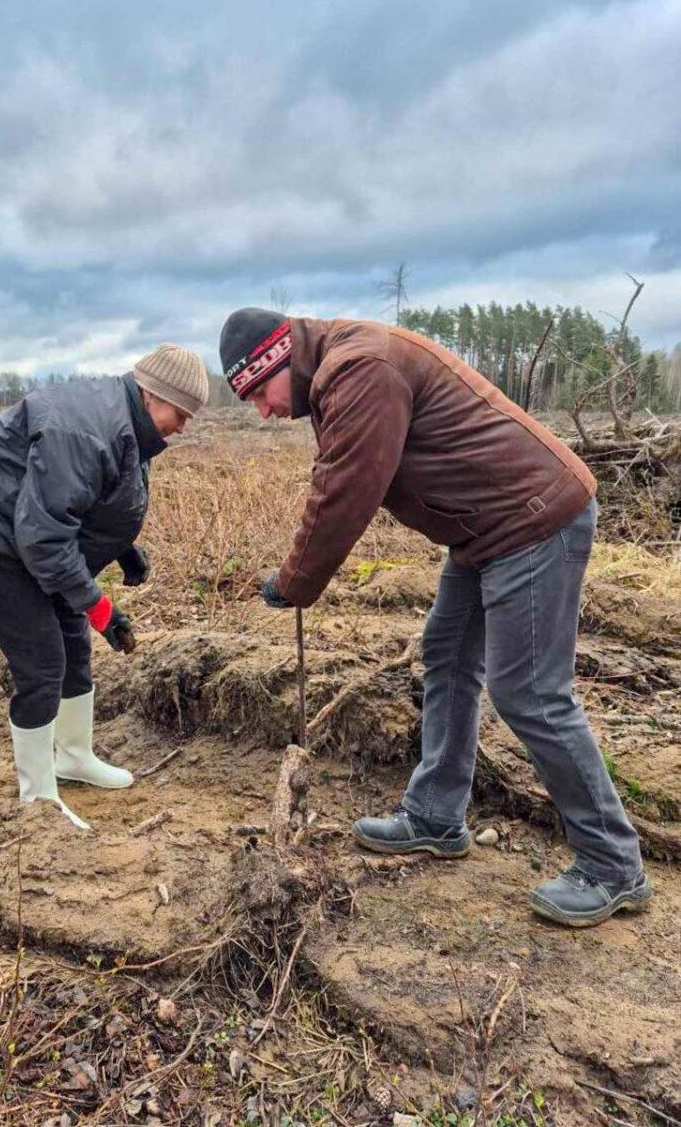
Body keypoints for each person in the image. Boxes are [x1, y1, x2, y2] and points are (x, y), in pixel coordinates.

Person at [220, 307, 652, 927]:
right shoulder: (337, 370)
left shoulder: (360, 366)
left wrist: (296, 581)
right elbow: (336, 469)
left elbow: (346, 486)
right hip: (487, 532)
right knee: (446, 655)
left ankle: (613, 864)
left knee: (530, 691)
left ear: (280, 357)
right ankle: (435, 815)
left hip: (530, 520)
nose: (261, 409)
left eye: (259, 391)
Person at [0, 344, 209, 830]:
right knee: (43, 661)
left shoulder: (125, 422)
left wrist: (120, 545)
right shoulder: (88, 430)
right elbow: (43, 538)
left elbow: (86, 496)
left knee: (71, 641)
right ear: (152, 394)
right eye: (181, 412)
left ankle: (74, 756)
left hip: (27, 533)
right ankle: (37, 800)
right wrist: (101, 609)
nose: (183, 426)